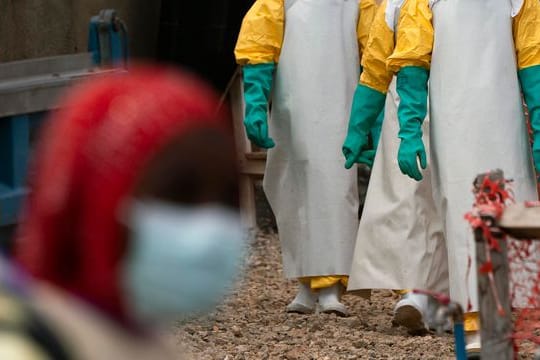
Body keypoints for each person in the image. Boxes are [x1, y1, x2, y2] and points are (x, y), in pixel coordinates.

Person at [1, 67, 244, 359]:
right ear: (97, 205)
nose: (210, 227)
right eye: (179, 195)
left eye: (228, 198)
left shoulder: (142, 341)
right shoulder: (21, 346)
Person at [387, 0, 540, 355]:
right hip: (453, 125)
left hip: (504, 125)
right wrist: (409, 129)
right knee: (463, 220)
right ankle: (475, 323)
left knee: (512, 214)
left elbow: (532, 56)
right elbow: (412, 58)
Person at [234, 0, 379, 316]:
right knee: (292, 188)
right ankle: (305, 282)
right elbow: (260, 41)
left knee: (336, 190)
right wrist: (256, 101)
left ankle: (330, 287)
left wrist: (373, 115)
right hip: (294, 110)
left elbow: (374, 48)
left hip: (341, 105)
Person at [342, 0, 449, 334]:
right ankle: (417, 291)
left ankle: (450, 296)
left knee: (453, 206)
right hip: (404, 116)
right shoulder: (396, 5)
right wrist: (360, 124)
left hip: (462, 110)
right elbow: (375, 63)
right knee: (409, 204)